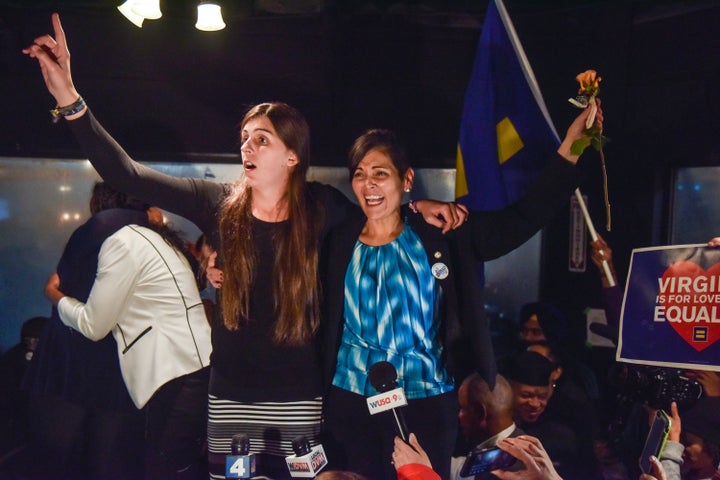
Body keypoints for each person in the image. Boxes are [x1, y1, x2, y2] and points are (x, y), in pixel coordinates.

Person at [23, 14, 466, 479]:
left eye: (262, 139)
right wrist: (69, 100)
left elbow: (381, 210)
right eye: (244, 140)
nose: (247, 148)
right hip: (231, 398)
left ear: (292, 156)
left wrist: (420, 207)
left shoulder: (322, 207)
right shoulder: (216, 203)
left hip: (301, 400)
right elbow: (127, 175)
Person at [321, 102, 602, 479]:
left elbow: (519, 221)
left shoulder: (443, 231)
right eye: (359, 174)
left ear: (406, 180)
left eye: (380, 173)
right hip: (351, 399)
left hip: (425, 401)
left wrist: (569, 152)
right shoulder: (337, 239)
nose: (368, 184)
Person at [44, 183, 212, 480]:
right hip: (194, 370)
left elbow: (94, 326)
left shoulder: (122, 242)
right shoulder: (160, 240)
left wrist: (57, 297)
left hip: (170, 373)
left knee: (164, 469)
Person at [19, 182, 149, 480]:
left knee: (58, 458)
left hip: (72, 359)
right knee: (107, 459)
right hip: (119, 367)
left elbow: (66, 287)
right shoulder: (148, 234)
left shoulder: (99, 228)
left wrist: (54, 293)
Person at [450, 373, 524, 479]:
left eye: (463, 408)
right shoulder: (524, 443)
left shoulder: (502, 473)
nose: (459, 415)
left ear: (480, 413)